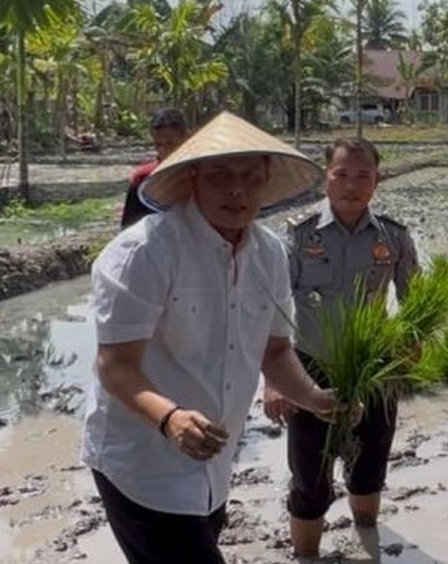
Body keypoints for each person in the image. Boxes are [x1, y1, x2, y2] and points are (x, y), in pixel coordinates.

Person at [81, 111, 349, 564]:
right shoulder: (144, 252)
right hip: (142, 462)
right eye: (220, 175)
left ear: (266, 181)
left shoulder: (270, 255)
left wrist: (315, 398)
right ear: (192, 180)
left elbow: (274, 350)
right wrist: (171, 419)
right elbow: (115, 365)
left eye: (249, 177)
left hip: (213, 463)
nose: (236, 190)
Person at [262, 137, 418, 560]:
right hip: (310, 367)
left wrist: (409, 346)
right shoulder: (298, 235)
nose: (352, 185)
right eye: (342, 175)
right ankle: (307, 555)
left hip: (373, 366)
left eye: (363, 176)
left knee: (370, 466)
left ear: (376, 181)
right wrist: (273, 382)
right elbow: (271, 310)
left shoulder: (394, 237)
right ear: (324, 180)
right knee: (309, 476)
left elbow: (414, 302)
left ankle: (369, 539)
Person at [119, 107, 189, 229]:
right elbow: (129, 226)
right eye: (158, 144)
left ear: (187, 138)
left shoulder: (202, 173)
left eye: (170, 143)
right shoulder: (143, 177)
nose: (163, 150)